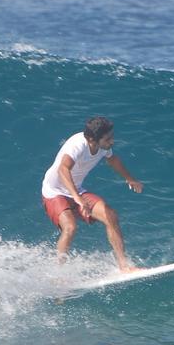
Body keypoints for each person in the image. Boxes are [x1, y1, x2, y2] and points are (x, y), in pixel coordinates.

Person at [40, 116, 144, 271]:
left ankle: (123, 266)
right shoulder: (77, 146)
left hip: (76, 189)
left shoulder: (103, 146)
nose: (112, 142)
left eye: (112, 137)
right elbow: (63, 169)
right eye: (108, 139)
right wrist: (78, 199)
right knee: (70, 227)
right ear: (92, 139)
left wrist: (130, 179)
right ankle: (58, 275)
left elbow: (112, 160)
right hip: (54, 191)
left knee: (111, 216)